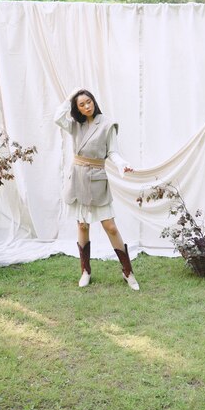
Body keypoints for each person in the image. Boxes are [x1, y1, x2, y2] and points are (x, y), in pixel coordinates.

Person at [54, 88, 140, 291]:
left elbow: (113, 152)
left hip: (97, 178)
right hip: (77, 178)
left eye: (88, 101)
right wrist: (70, 97)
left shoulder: (107, 124)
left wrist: (122, 165)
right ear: (77, 108)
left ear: (94, 101)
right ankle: (85, 270)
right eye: (81, 104)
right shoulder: (75, 125)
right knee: (82, 226)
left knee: (110, 227)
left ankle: (127, 271)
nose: (86, 106)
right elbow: (58, 117)